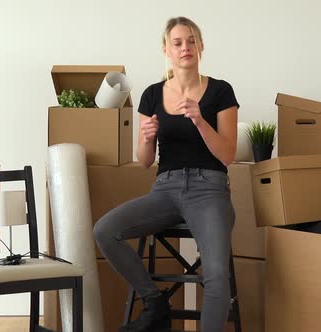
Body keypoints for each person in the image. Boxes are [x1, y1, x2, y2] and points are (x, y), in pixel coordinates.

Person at [93, 16, 239, 332]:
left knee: (215, 273)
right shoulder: (151, 95)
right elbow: (144, 161)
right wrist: (146, 138)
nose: (185, 47)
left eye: (190, 41)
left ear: (200, 46)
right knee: (105, 230)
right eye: (177, 42)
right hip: (166, 188)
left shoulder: (221, 92)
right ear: (166, 51)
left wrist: (200, 121)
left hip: (209, 188)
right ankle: (156, 303)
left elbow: (226, 155)